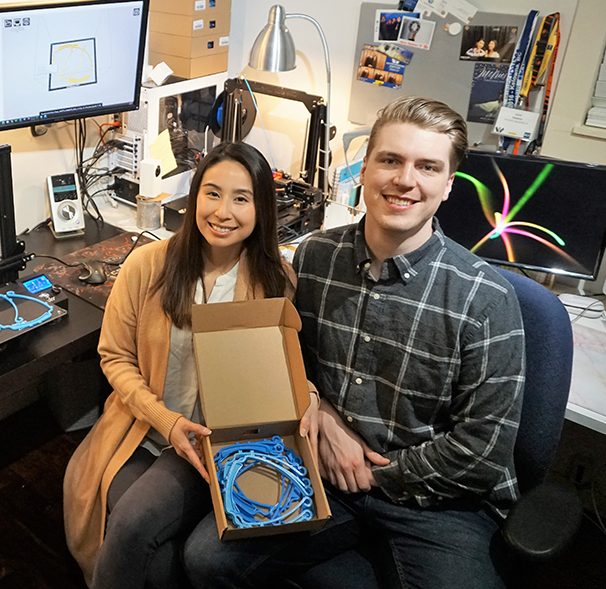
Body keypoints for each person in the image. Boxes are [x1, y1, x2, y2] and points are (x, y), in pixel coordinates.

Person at [183, 97, 525, 589]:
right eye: (390, 160)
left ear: (448, 185)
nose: (405, 180)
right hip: (322, 468)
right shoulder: (316, 257)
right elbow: (289, 363)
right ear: (364, 169)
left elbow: (482, 451)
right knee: (206, 559)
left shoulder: (486, 299)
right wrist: (320, 412)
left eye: (427, 167)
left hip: (439, 502)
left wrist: (374, 474)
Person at [63, 142, 295, 589]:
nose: (223, 211)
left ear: (261, 208)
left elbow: (281, 374)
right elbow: (114, 355)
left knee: (133, 523)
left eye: (241, 198)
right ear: (193, 197)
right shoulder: (149, 265)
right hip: (142, 426)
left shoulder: (276, 281)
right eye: (212, 193)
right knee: (158, 562)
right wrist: (164, 420)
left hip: (210, 444)